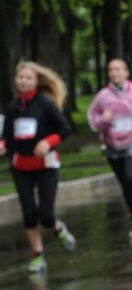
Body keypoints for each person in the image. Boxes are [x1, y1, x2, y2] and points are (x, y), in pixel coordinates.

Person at [0, 62, 76, 273]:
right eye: (20, 77)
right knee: (28, 213)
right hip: (21, 166)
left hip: (45, 165)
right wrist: (3, 145)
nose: (23, 81)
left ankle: (58, 228)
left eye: (28, 78)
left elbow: (65, 128)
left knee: (45, 214)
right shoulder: (13, 106)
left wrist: (48, 142)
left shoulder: (45, 103)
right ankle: (37, 255)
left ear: (36, 81)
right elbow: (7, 136)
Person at [87, 59, 132, 239]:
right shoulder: (103, 96)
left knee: (130, 177)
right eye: (111, 70)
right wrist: (103, 120)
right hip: (112, 145)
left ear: (126, 72)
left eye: (118, 69)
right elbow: (92, 120)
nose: (114, 73)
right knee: (125, 184)